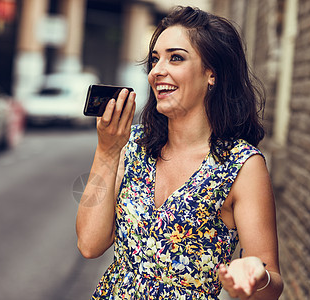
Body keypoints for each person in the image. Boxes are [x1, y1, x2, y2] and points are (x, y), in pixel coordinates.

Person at [76, 6, 284, 300]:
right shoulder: (133, 144)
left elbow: (271, 285)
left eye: (176, 58)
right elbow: (89, 244)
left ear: (211, 73)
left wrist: (257, 277)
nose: (157, 71)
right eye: (154, 59)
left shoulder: (240, 166)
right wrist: (107, 151)